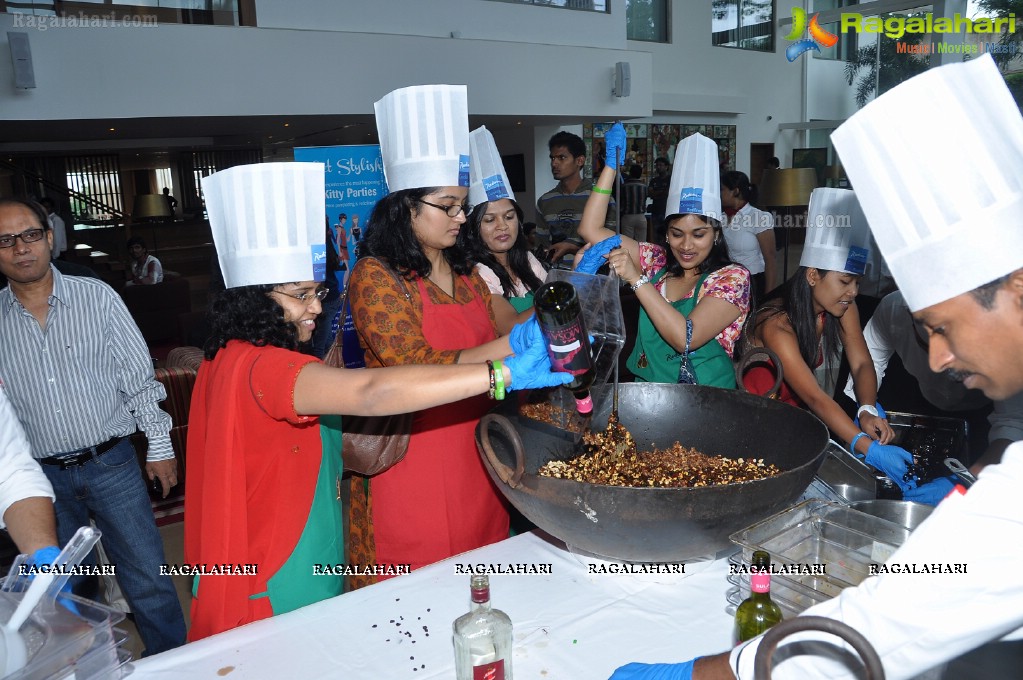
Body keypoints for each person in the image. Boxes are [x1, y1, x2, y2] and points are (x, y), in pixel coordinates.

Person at [609, 53, 1023, 680]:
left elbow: (890, 626)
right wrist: (973, 485)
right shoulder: (778, 322)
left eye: (942, 328)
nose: (936, 357)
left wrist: (702, 675)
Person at [184, 161, 568, 641]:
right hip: (280, 555)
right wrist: (501, 374)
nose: (319, 307)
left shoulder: (225, 357)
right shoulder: (270, 368)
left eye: (318, 292)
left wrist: (517, 344)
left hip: (293, 533)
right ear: (255, 297)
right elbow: (374, 389)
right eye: (302, 295)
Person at [342, 85, 561, 579]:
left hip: (476, 449)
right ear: (406, 206)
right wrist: (501, 363)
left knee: (481, 573)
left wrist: (560, 307)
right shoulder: (376, 277)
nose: (463, 219)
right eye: (450, 207)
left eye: (464, 206)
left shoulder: (465, 272)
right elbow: (413, 368)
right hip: (409, 458)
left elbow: (506, 322)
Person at [0, 197, 186, 655]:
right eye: (5, 241)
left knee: (147, 579)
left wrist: (160, 446)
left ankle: (177, 664)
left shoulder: (96, 297)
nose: (20, 248)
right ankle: (98, 665)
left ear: (48, 238)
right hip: (39, 483)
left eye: (29, 235)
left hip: (112, 463)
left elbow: (138, 378)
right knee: (67, 596)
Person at [739, 188, 916, 496]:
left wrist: (867, 409)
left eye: (857, 282)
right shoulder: (776, 324)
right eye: (845, 281)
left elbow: (862, 362)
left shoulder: (839, 307)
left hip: (796, 424)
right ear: (812, 276)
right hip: (754, 429)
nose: (853, 292)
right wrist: (866, 448)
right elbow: (816, 399)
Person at [577, 124, 751, 389]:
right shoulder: (655, 260)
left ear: (716, 233)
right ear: (666, 234)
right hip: (650, 392)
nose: (687, 246)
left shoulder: (732, 278)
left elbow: (685, 338)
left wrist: (637, 279)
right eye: (677, 233)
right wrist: (611, 167)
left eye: (699, 234)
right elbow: (590, 229)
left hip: (707, 398)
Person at [843, 289, 1023, 475]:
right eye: (926, 347)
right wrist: (868, 409)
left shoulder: (1003, 332)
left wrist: (970, 480)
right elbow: (867, 362)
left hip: (981, 413)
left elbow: (1012, 422)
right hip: (917, 396)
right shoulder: (893, 309)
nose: (938, 365)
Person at [458, 126, 549, 333]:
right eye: (490, 220)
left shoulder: (527, 260)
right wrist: (561, 293)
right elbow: (510, 326)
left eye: (509, 216)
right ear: (473, 228)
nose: (502, 225)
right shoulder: (477, 272)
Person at [536, 130, 617, 264]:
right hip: (558, 276)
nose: (554, 163)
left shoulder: (600, 199)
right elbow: (542, 246)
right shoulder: (545, 201)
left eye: (561, 158)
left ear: (579, 160)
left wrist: (572, 248)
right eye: (552, 158)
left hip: (595, 277)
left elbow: (611, 246)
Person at [720, 170, 776, 301]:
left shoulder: (758, 217)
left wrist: (769, 298)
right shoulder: (721, 217)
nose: (719, 194)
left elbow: (771, 259)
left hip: (753, 281)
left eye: (722, 190)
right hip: (730, 278)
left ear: (735, 191)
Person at [620, 164, 649, 242]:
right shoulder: (644, 186)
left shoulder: (624, 186)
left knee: (628, 243)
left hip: (627, 217)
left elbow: (621, 200)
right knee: (641, 243)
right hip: (641, 217)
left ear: (630, 173)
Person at [647, 157, 671, 243]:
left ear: (666, 166)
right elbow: (650, 193)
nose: (658, 167)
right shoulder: (653, 181)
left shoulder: (670, 179)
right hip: (656, 211)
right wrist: (660, 193)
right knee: (656, 237)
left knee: (668, 236)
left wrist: (656, 193)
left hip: (667, 212)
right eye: (657, 165)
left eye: (660, 165)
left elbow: (667, 193)